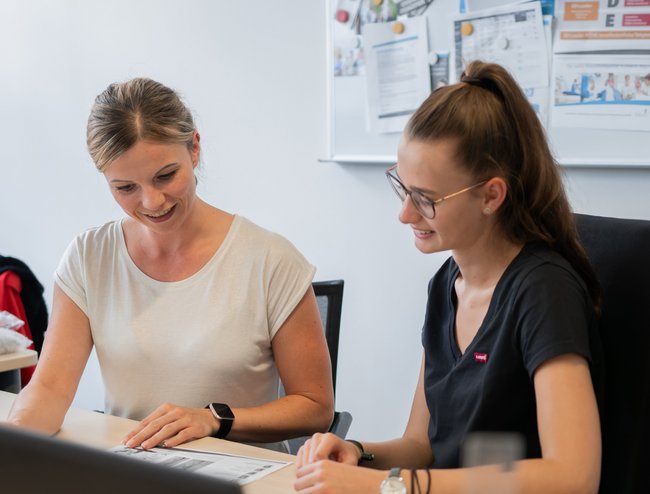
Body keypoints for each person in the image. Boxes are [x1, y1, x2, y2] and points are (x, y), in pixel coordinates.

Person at [294, 61, 603, 493]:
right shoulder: (447, 283)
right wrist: (359, 453)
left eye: (425, 199)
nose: (404, 214)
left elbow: (573, 476)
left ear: (491, 195)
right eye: (403, 189)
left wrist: (387, 487)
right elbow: (421, 445)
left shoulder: (543, 291)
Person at [6, 78, 334, 453]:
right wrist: (14, 445)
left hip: (239, 477)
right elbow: (49, 388)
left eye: (165, 176)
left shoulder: (270, 260)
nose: (152, 201)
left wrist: (214, 419)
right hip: (135, 473)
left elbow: (315, 408)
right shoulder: (89, 256)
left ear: (194, 148)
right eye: (125, 188)